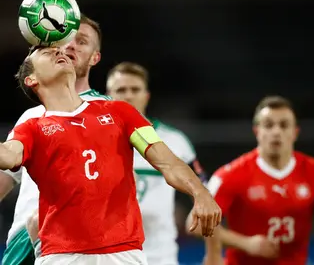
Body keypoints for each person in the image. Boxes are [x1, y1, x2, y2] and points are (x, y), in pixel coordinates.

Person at [0, 45, 221, 265]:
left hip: (123, 253)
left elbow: (168, 162)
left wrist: (200, 193)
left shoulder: (121, 113)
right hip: (62, 255)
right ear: (32, 79)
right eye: (47, 53)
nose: (59, 52)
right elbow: (8, 156)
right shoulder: (32, 128)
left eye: (59, 51)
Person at [187, 95, 314, 265]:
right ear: (257, 131)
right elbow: (193, 224)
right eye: (268, 125)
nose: (276, 132)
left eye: (284, 125)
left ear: (295, 132)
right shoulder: (230, 174)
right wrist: (246, 243)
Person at [1, 14, 112, 265]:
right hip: (22, 244)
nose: (70, 46)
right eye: (66, 39)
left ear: (95, 58)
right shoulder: (31, 118)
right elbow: (6, 175)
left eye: (82, 41)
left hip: (83, 245)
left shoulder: (111, 113)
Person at [106, 62, 206, 265]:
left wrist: (194, 209)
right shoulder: (92, 140)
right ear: (108, 96)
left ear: (146, 95)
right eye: (121, 90)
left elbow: (204, 186)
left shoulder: (175, 140)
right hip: (108, 256)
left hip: (160, 256)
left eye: (135, 89)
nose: (128, 95)